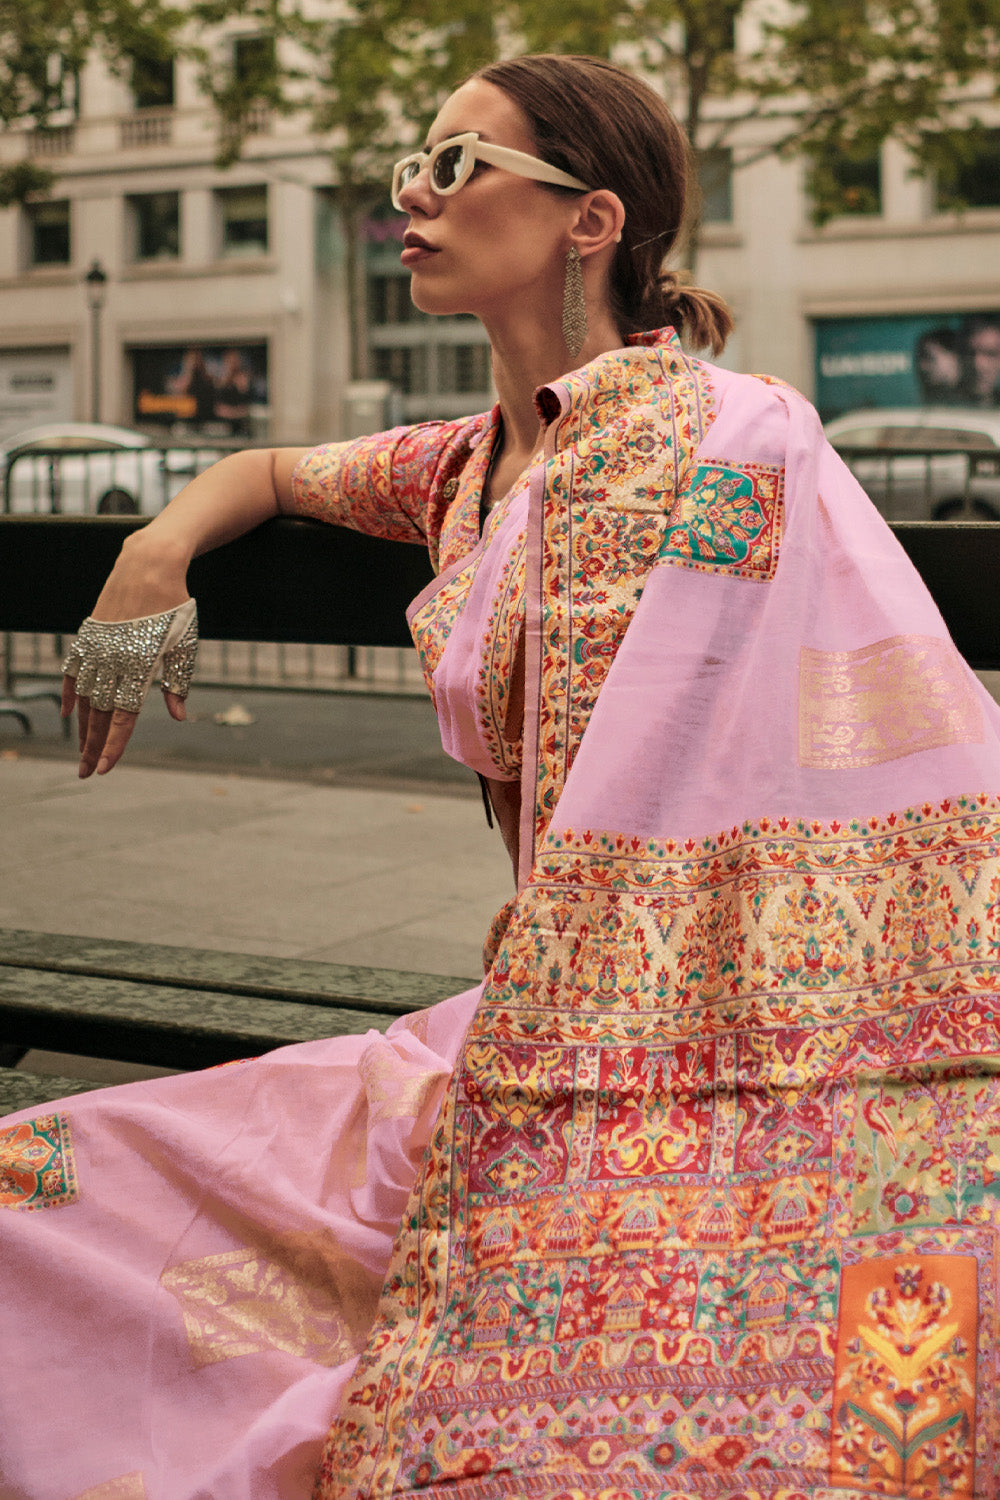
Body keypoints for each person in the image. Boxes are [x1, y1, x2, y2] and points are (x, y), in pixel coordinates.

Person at [3, 52, 1000, 1500]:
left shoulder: (729, 437)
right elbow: (268, 471)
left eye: (458, 164)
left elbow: (800, 732)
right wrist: (153, 554)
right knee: (48, 1185)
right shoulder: (460, 469)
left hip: (689, 1012)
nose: (412, 193)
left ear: (591, 220)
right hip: (529, 1005)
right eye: (416, 162)